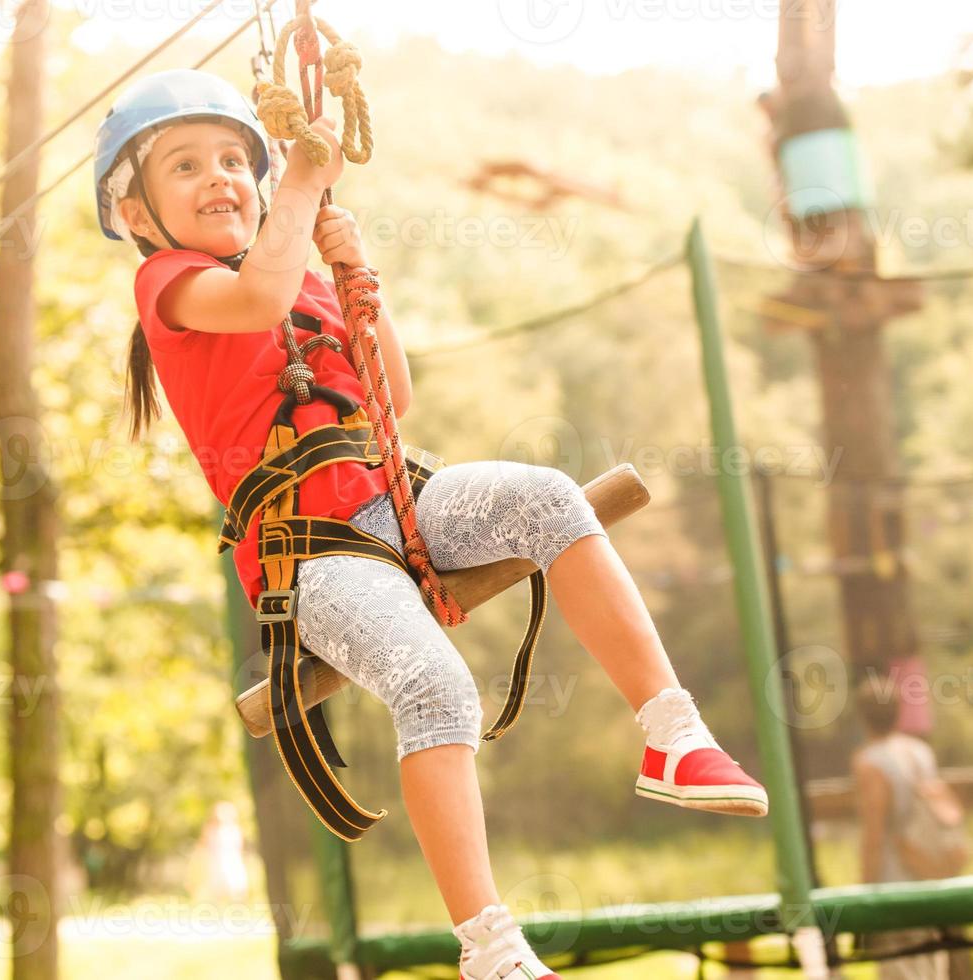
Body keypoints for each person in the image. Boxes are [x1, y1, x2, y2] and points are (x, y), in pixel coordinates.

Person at [94, 68, 768, 980]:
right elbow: (254, 300)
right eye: (184, 167)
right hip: (310, 554)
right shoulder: (170, 285)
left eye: (231, 160)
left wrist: (353, 270)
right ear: (138, 216)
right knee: (435, 685)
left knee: (545, 496)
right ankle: (487, 947)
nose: (219, 178)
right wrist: (298, 184)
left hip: (391, 498)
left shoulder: (298, 279)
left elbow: (392, 398)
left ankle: (673, 732)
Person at [851, 674, 951, 980]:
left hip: (894, 884)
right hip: (930, 873)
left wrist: (866, 895)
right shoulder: (921, 752)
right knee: (933, 965)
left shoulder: (870, 763)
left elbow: (874, 835)